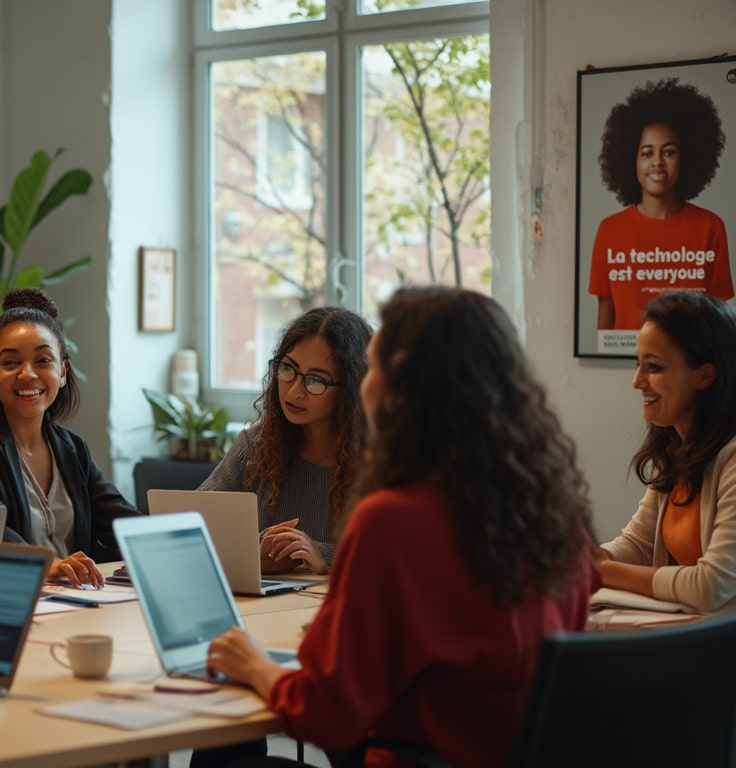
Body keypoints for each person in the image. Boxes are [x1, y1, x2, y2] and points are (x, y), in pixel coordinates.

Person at [205, 287, 597, 767]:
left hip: (410, 757)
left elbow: (325, 715)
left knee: (226, 759)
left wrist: (255, 666)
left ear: (406, 391)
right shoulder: (555, 510)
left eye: (376, 368)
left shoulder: (392, 520)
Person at [0, 288, 140, 587]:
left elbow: (121, 522)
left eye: (43, 360)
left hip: (77, 602)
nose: (27, 374)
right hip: (6, 599)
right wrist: (53, 566)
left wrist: (168, 545)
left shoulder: (73, 449)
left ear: (62, 372)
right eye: (10, 363)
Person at [197, 307, 370, 574]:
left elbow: (404, 557)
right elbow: (194, 525)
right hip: (259, 608)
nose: (294, 391)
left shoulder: (379, 460)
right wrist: (255, 549)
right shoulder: (256, 445)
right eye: (288, 369)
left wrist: (321, 555)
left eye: (315, 380)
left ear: (349, 390)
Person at [599, 291, 736, 613]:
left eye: (654, 367)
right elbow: (638, 543)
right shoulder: (678, 448)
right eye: (639, 364)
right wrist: (594, 558)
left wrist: (605, 572)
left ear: (705, 375)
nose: (637, 381)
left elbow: (712, 586)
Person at [589, 78, 730, 331]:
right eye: (646, 153)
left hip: (690, 366)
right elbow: (605, 319)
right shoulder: (609, 230)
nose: (657, 162)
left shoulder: (710, 227)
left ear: (686, 157)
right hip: (625, 364)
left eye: (669, 151)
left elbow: (718, 318)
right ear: (629, 159)